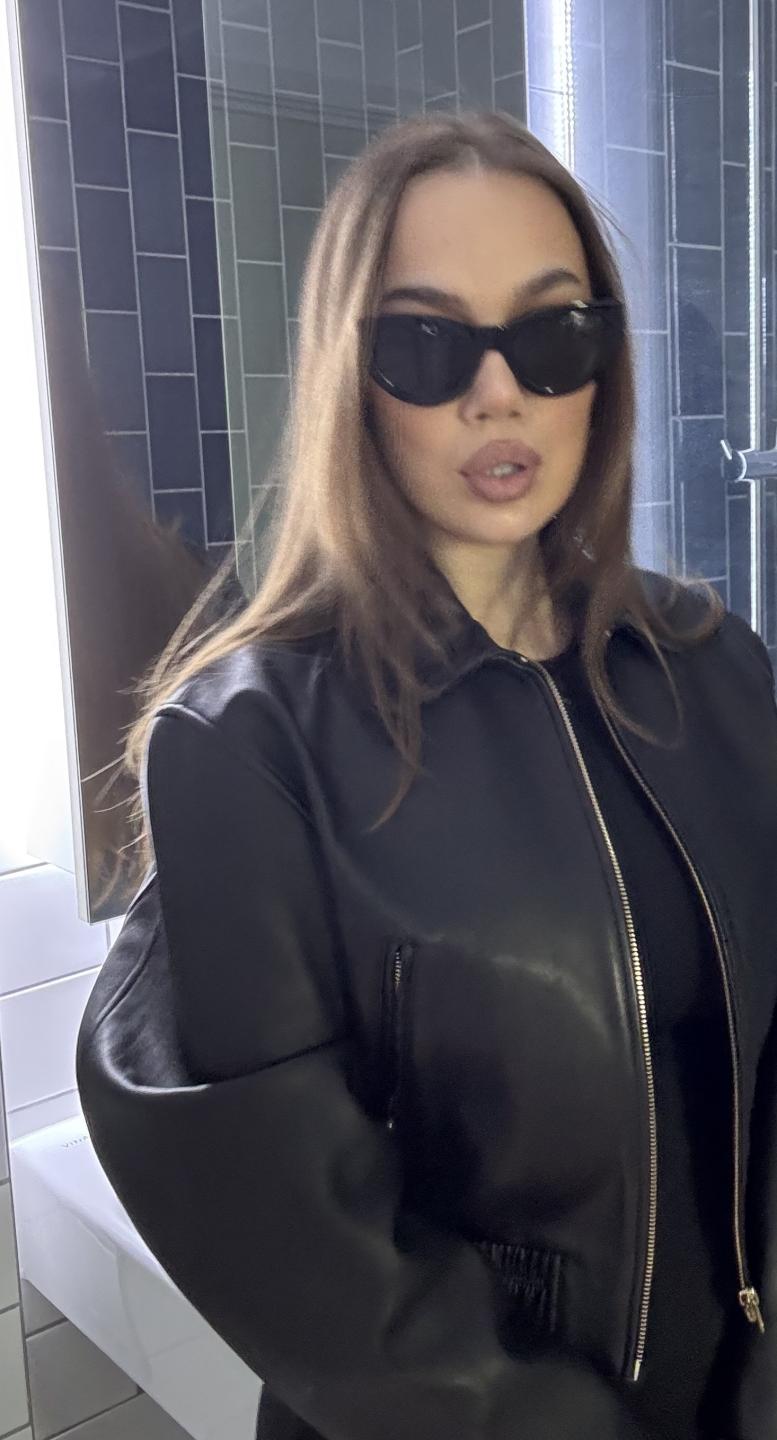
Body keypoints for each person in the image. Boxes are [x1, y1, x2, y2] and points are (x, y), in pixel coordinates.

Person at [75, 111, 777, 1440]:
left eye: (551, 334)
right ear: (351, 376)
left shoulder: (716, 670)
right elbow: (319, 1264)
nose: (497, 393)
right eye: (426, 344)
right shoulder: (249, 748)